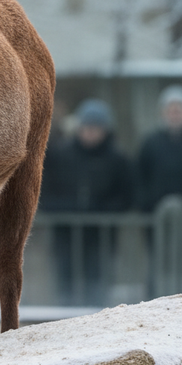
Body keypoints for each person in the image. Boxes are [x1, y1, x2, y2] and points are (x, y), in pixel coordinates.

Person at [40, 98, 133, 306]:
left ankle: (98, 318)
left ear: (106, 130)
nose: (90, 132)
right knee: (66, 280)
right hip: (66, 234)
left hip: (101, 235)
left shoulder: (117, 159)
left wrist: (98, 211)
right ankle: (64, 319)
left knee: (98, 280)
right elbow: (45, 193)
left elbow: (126, 196)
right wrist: (67, 210)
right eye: (86, 127)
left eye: (96, 128)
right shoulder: (59, 155)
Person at [136, 84, 182, 213]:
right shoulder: (150, 143)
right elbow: (140, 177)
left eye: (179, 110)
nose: (175, 114)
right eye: (171, 110)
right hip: (155, 214)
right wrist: (146, 206)